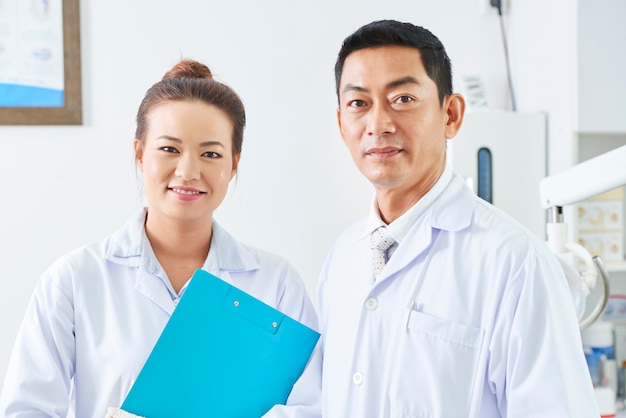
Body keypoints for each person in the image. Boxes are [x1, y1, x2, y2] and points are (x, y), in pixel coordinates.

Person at [312, 19, 599, 417]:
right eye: (359, 103)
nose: (378, 124)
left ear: (451, 115)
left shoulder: (516, 264)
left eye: (403, 99)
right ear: (342, 125)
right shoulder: (343, 258)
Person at [0, 59, 318, 417]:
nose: (188, 171)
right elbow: (27, 410)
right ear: (139, 153)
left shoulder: (276, 283)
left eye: (211, 154)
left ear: (234, 165)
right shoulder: (73, 279)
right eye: (169, 149)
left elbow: (312, 406)